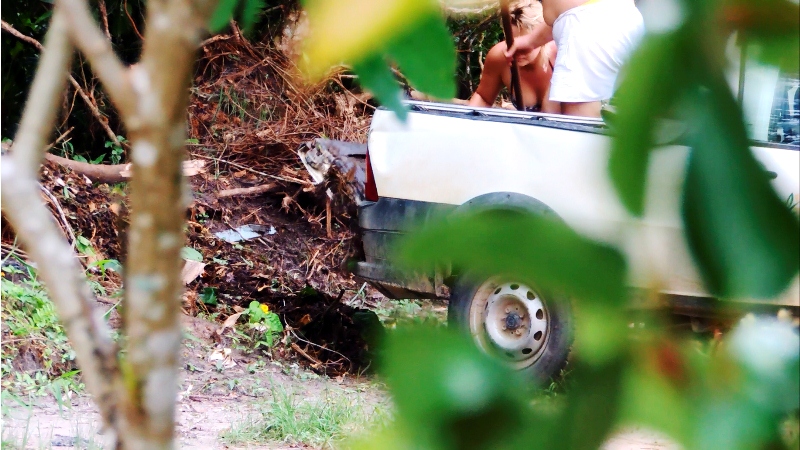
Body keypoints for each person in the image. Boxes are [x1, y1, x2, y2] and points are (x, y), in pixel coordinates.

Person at [504, 0, 644, 117]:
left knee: (577, 136)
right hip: (624, 17)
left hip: (586, 28)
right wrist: (531, 41)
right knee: (551, 114)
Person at [468, 0, 560, 113]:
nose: (516, 50)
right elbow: (483, 97)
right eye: (511, 43)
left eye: (524, 43)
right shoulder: (499, 57)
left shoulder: (561, 54)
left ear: (539, 39)